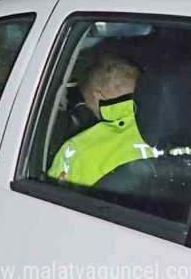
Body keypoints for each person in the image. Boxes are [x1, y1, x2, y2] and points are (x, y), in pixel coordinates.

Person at [47, 55, 150, 187]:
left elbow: (53, 200)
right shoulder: (178, 131)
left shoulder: (79, 150)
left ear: (98, 97)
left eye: (87, 103)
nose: (89, 108)